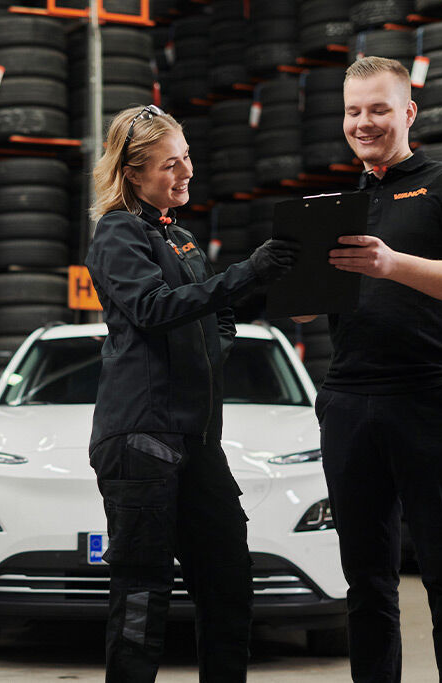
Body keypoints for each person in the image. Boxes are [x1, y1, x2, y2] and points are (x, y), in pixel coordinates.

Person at [296, 56, 442, 682]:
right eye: (353, 111)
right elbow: (303, 311)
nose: (364, 123)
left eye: (379, 109)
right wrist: (292, 276)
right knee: (366, 582)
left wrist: (391, 264)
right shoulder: (335, 204)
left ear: (408, 112)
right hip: (348, 401)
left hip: (429, 397)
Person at [84, 104, 299, 682]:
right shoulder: (118, 232)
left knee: (228, 580)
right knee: (142, 590)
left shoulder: (176, 236)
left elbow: (215, 313)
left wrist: (213, 340)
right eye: (169, 165)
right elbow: (152, 309)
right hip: (142, 436)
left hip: (198, 438)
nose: (186, 173)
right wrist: (249, 272)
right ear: (132, 172)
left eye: (186, 158)